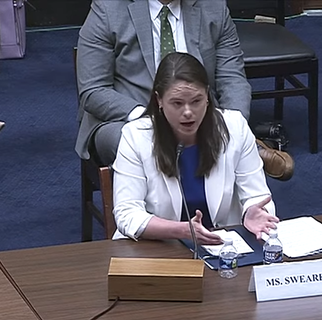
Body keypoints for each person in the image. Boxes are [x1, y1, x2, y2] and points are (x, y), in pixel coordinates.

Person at [75, 0, 294, 180]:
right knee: (139, 144)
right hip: (127, 118)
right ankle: (247, 154)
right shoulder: (108, 8)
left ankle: (235, 150)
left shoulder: (213, 7)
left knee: (224, 131)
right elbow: (93, 90)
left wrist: (234, 123)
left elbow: (232, 77)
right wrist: (148, 119)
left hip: (197, 112)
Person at [112, 52, 279, 244]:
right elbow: (127, 214)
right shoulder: (135, 136)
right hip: (158, 247)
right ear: (159, 100)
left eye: (196, 101)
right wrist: (183, 230)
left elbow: (257, 195)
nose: (188, 112)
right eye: (177, 103)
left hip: (221, 245)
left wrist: (251, 212)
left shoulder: (235, 127)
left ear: (207, 96)